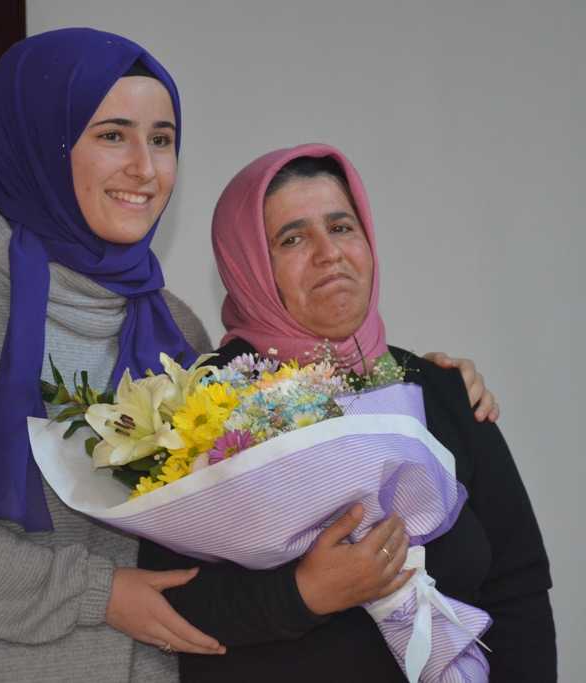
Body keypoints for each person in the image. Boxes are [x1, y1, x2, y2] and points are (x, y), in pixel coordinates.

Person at [0, 30, 496, 682]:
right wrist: (98, 593)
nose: (145, 168)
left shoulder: (175, 327)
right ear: (43, 144)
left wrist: (427, 382)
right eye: (112, 135)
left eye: (161, 139)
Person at [139, 144, 557, 682]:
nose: (328, 253)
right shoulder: (206, 404)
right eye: (293, 239)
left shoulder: (441, 391)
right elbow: (170, 597)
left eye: (341, 227)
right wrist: (302, 594)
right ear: (249, 268)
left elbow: (518, 586)